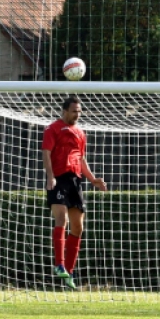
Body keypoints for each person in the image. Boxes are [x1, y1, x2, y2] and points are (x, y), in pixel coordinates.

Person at [42, 96, 107, 290]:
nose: (77, 114)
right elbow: (46, 153)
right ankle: (59, 264)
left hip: (75, 181)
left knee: (78, 227)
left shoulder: (80, 133)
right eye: (73, 111)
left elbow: (81, 159)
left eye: (79, 111)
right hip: (59, 179)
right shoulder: (52, 129)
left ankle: (69, 272)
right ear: (64, 111)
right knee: (62, 219)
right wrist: (50, 176)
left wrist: (93, 179)